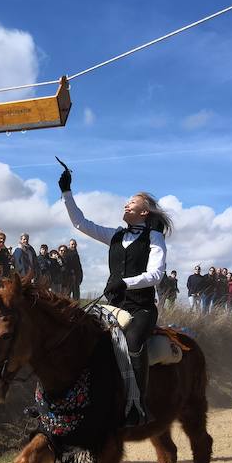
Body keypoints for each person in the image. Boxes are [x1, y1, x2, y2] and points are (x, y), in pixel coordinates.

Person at [60, 168, 170, 426]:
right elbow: (80, 223)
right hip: (114, 306)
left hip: (141, 308)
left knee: (132, 342)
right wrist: (66, 192)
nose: (126, 203)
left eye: (131, 202)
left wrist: (125, 282)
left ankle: (138, 405)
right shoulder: (115, 235)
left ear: (144, 212)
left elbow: (156, 275)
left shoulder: (154, 237)